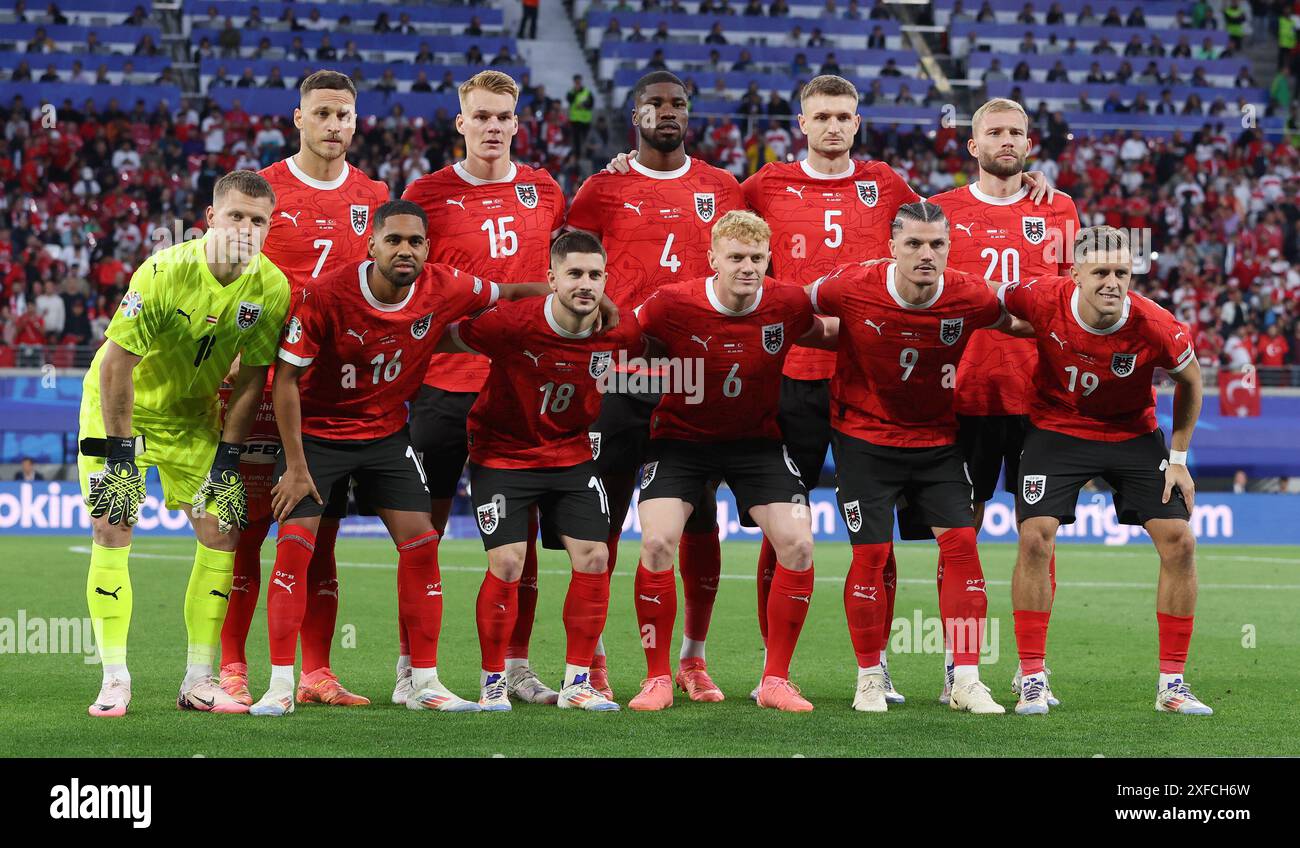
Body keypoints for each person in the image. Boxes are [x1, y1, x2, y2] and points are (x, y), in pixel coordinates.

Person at [252, 201, 564, 716]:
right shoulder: (326, 294)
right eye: (393, 240)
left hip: (386, 435)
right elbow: (285, 381)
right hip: (320, 436)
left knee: (422, 544)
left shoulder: (445, 286)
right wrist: (296, 464)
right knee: (295, 548)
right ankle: (280, 685)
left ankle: (422, 683)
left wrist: (571, 299)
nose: (405, 250)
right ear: (371, 245)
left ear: (427, 249)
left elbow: (507, 294)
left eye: (415, 242)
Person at [79, 169, 291, 718]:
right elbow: (117, 365)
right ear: (210, 220)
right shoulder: (163, 270)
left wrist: (227, 459)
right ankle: (115, 679)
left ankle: (199, 680)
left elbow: (251, 382)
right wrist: (122, 455)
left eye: (258, 220)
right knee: (114, 522)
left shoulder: (272, 287)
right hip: (119, 410)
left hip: (194, 418)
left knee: (223, 528)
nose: (246, 228)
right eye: (236, 216)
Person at [741, 74, 920, 702]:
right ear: (802, 123)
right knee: (783, 526)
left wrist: (1024, 184)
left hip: (870, 385)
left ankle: (876, 666)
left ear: (858, 121)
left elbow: (945, 228)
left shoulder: (888, 184)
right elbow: (711, 225)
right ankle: (773, 661)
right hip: (790, 381)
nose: (834, 127)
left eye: (844, 116)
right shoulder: (764, 186)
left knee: (877, 535)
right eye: (822, 117)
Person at [568, 71, 746, 701]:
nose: (667, 113)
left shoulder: (722, 187)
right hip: (616, 373)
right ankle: (591, 658)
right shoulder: (602, 188)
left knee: (697, 524)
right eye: (655, 104)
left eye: (677, 104)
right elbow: (567, 268)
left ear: (689, 114)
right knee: (604, 517)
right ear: (634, 114)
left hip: (690, 378)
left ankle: (693, 659)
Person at [218, 70, 390, 710]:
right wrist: (234, 351)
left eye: (344, 114)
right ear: (298, 117)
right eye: (322, 113)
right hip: (261, 381)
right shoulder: (264, 189)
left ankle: (316, 671)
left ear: (355, 120)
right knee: (249, 526)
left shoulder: (375, 195)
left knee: (320, 532)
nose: (334, 125)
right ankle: (232, 667)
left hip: (330, 391)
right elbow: (231, 276)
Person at [810, 201, 1024, 714]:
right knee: (871, 556)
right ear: (892, 248)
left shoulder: (969, 294)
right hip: (863, 441)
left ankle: (967, 679)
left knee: (962, 549)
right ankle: (869, 676)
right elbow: (791, 308)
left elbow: (1025, 319)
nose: (926, 254)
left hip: (936, 443)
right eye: (914, 244)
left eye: (937, 245)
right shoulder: (849, 286)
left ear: (950, 247)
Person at [401, 70, 568, 706]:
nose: (493, 127)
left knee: (521, 539)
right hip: (444, 385)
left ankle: (517, 669)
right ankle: (412, 671)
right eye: (482, 116)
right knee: (424, 533)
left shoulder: (544, 190)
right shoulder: (427, 193)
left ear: (517, 123)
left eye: (504, 117)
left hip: (522, 389)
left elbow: (568, 267)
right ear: (461, 122)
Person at [1002, 226, 1210, 716]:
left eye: (1122, 272)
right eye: (1101, 272)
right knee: (1035, 537)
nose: (1112, 282)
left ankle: (1172, 685)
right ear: (1074, 274)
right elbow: (987, 303)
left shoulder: (1158, 325)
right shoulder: (1038, 295)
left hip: (1132, 434)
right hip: (1057, 429)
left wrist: (1178, 458)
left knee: (1181, 541)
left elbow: (1191, 379)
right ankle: (1032, 676)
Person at [629, 211, 831, 712]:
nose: (746, 267)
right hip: (679, 440)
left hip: (756, 443)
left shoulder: (787, 302)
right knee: (656, 542)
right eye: (736, 257)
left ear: (769, 260)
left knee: (799, 544)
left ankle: (775, 681)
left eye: (756, 258)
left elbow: (826, 332)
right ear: (713, 259)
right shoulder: (670, 303)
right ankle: (659, 677)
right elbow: (622, 344)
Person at [437, 231, 641, 711]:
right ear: (551, 279)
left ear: (606, 280)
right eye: (574, 274)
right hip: (502, 456)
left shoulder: (619, 332)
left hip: (570, 456)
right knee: (508, 562)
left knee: (594, 557)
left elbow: (658, 354)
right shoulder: (509, 325)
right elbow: (442, 337)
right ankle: (492, 683)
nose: (585, 284)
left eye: (594, 274)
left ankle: (577, 684)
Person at [928, 97, 1079, 706]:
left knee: (1039, 536)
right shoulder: (938, 212)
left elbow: (1072, 303)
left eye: (1017, 131)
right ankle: (956, 671)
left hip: (1038, 398)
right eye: (994, 131)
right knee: (959, 538)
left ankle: (1030, 669)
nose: (1007, 140)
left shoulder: (1060, 209)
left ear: (1030, 143)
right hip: (961, 397)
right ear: (972, 143)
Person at [567, 75, 594, 160]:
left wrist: (584, 105)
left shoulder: (587, 92)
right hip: (575, 120)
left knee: (587, 139)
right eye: (576, 81)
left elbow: (591, 104)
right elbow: (570, 100)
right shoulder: (571, 92)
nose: (577, 83)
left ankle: (588, 155)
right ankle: (578, 156)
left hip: (585, 120)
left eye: (578, 81)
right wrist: (576, 92)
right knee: (576, 141)